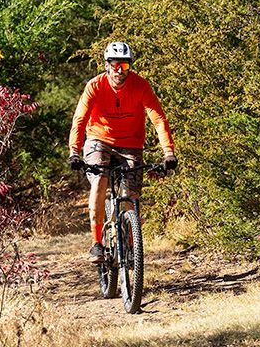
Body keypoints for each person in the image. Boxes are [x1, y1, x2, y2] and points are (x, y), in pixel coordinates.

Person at [68, 41, 178, 262]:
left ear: (130, 67)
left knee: (131, 195)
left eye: (125, 66)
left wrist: (168, 152)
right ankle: (96, 243)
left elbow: (157, 119)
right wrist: (74, 152)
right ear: (107, 65)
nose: (120, 70)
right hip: (99, 139)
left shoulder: (140, 86)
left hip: (131, 144)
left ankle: (130, 241)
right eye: (115, 64)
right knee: (100, 180)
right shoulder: (95, 86)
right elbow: (79, 120)